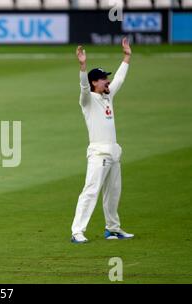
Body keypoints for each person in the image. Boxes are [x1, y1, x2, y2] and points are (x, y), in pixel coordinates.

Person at [71, 37, 134, 243]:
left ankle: (113, 229)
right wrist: (82, 66)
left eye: (107, 78)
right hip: (98, 154)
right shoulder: (88, 100)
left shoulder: (108, 95)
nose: (107, 81)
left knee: (113, 193)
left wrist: (126, 57)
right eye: (103, 79)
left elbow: (120, 80)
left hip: (114, 152)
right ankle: (77, 231)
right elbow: (82, 88)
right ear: (94, 83)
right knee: (90, 192)